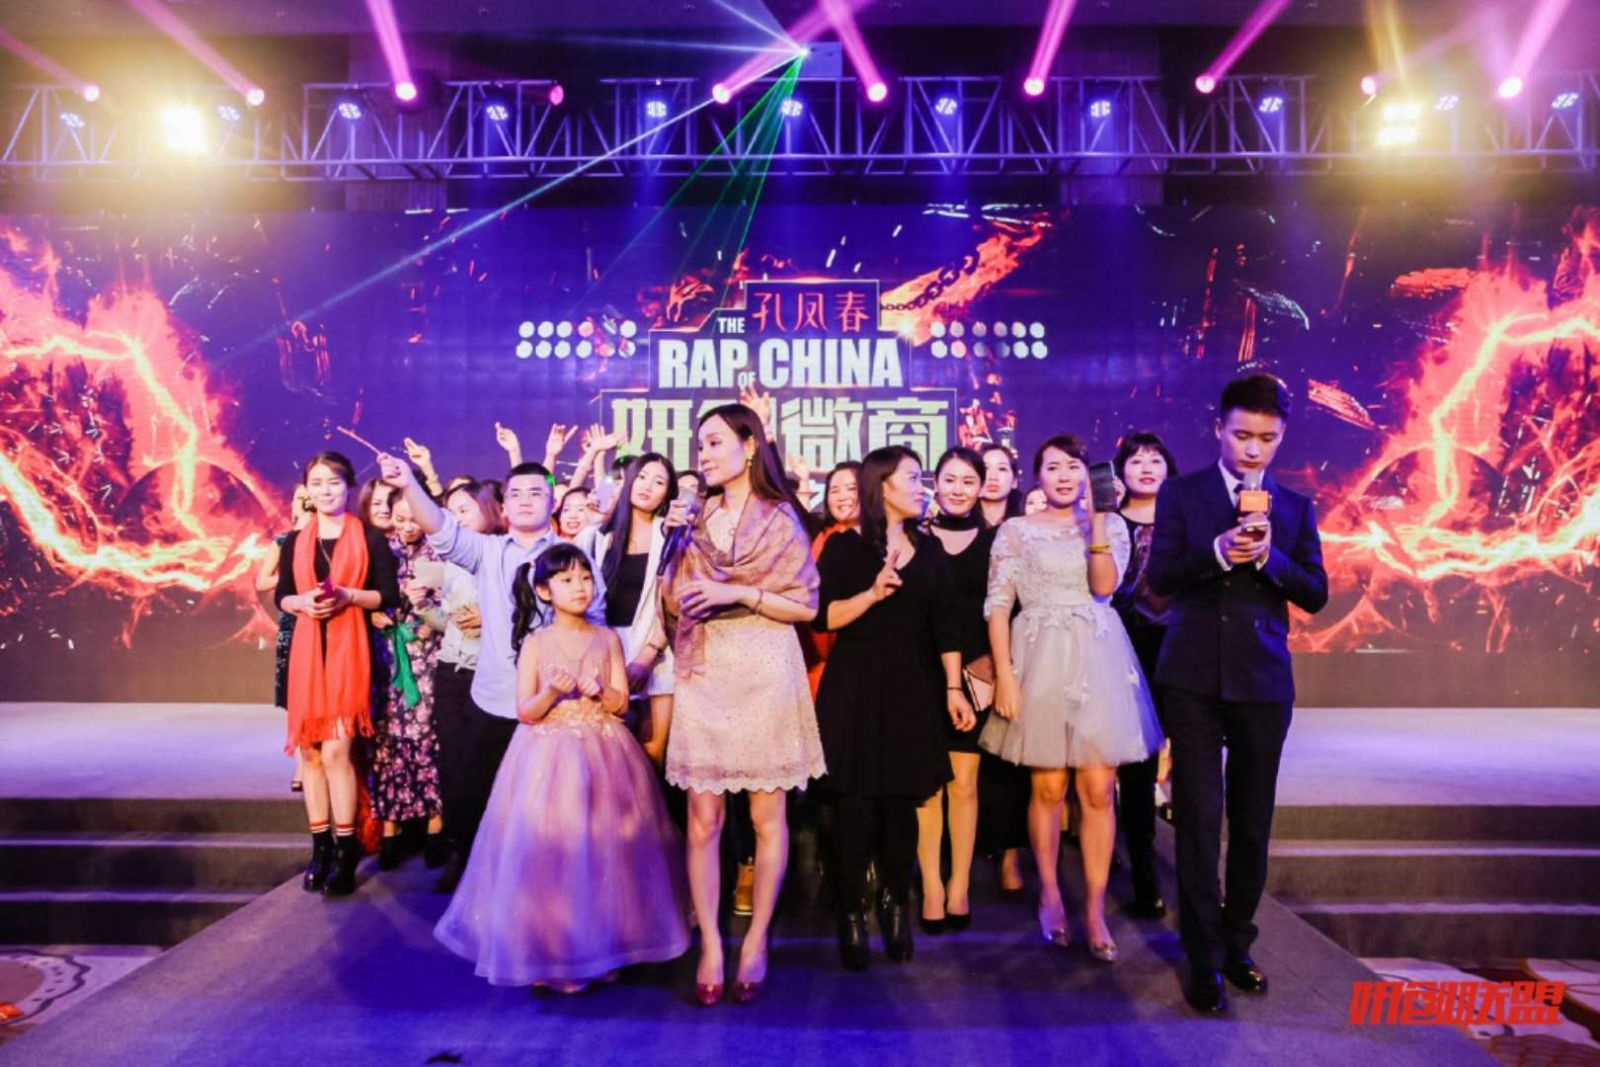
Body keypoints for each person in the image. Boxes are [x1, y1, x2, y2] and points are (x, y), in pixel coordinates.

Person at [1147, 374, 1328, 1015]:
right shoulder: (1182, 493)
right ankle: (1201, 956)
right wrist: (1219, 552)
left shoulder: (1296, 506)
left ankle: (1236, 944)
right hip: (1192, 678)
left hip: (1263, 682)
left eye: (1267, 438)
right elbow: (1160, 578)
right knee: (1199, 821)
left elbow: (1316, 592)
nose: (1253, 449)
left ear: (1282, 437)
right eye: (1242, 435)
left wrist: (1271, 559)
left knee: (1252, 822)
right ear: (1217, 428)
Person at [434, 544, 690, 993]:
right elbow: (525, 710)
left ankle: (604, 946)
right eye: (567, 580)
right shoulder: (536, 643)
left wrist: (601, 691)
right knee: (553, 853)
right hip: (546, 758)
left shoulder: (607, 639)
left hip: (604, 753)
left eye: (585, 578)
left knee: (605, 850)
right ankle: (552, 950)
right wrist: (552, 692)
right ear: (544, 591)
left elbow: (621, 704)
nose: (579, 587)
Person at [376, 453, 607, 891]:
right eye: (516, 494)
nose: (526, 501)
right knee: (473, 789)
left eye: (536, 493)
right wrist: (407, 482)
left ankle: (545, 884)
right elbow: (440, 527)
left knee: (547, 803)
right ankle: (471, 866)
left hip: (555, 703)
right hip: (494, 696)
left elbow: (595, 620)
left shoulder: (573, 559)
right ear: (503, 505)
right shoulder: (488, 551)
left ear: (552, 501)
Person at [661, 403, 824, 1005]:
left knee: (765, 816)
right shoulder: (693, 516)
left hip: (764, 664)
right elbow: (671, 600)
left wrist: (738, 592)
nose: (703, 455)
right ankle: (710, 943)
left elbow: (805, 605)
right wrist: (671, 544)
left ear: (749, 445)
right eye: (699, 444)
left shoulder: (780, 518)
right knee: (703, 818)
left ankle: (755, 940)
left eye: (714, 442)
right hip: (706, 667)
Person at [981, 435, 1163, 962]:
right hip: (1037, 659)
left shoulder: (1110, 527)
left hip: (1097, 658)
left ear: (1088, 474)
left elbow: (1105, 587)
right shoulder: (1016, 530)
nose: (1064, 475)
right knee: (1047, 787)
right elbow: (998, 605)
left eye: (1073, 466)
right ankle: (1051, 894)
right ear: (1037, 476)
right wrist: (1006, 676)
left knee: (1099, 790)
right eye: (1053, 467)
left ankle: (1096, 908)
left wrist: (1099, 523)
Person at [814, 446, 971, 971]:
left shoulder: (929, 550)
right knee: (855, 807)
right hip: (855, 689)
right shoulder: (844, 548)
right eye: (912, 477)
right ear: (881, 486)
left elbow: (947, 625)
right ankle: (852, 909)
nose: (922, 487)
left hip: (913, 688)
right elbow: (823, 618)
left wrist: (953, 688)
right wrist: (872, 595)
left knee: (904, 804)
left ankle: (895, 901)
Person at [275, 451, 401, 897]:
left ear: (348, 487)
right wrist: (300, 603)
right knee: (310, 754)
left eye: (333, 482)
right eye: (317, 482)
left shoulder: (368, 537)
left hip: (351, 654)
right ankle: (321, 847)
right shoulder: (295, 540)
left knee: (335, 754)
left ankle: (346, 850)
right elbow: (282, 596)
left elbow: (388, 595)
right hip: (306, 657)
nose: (325, 490)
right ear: (306, 490)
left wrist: (349, 595)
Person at [914, 447, 996, 934]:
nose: (958, 489)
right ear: (935, 483)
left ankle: (960, 883)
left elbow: (1005, 611)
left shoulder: (996, 542)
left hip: (977, 674)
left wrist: (990, 671)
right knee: (927, 785)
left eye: (968, 481)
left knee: (964, 784)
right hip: (920, 672)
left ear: (982, 487)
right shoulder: (916, 539)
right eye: (950, 479)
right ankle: (931, 885)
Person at [1110, 432, 1180, 920]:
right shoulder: (1109, 523)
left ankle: (1201, 881)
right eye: (1136, 461)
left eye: (1156, 459)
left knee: (1190, 772)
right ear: (1121, 473)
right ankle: (1145, 881)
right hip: (1124, 652)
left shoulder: (1186, 522)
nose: (1147, 467)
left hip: (1182, 651)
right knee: (1136, 772)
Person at [421, 479, 501, 890]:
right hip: (451, 670)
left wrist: (493, 618)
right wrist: (423, 607)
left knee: (487, 765)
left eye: (464, 510)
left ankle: (492, 856)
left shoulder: (504, 553)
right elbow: (449, 624)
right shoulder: (448, 563)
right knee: (452, 763)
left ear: (488, 508)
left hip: (492, 672)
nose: (455, 519)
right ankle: (460, 850)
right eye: (449, 513)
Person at [576, 452, 678, 765]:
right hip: (602, 653)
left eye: (658, 482)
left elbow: (676, 603)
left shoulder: (671, 536)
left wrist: (648, 654)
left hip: (656, 652)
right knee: (606, 753)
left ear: (667, 493)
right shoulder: (593, 538)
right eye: (642, 477)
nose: (647, 486)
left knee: (653, 753)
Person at [372, 496, 447, 871]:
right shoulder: (381, 551)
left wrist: (428, 617)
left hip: (429, 652)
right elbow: (368, 597)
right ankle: (391, 826)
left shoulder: (440, 551)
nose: (406, 526)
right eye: (399, 519)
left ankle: (436, 823)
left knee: (428, 735)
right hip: (389, 654)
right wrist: (373, 615)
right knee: (389, 738)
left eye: (413, 518)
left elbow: (455, 602)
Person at [257, 485, 313, 792]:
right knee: (296, 697)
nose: (305, 502)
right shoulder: (282, 540)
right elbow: (262, 581)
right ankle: (301, 763)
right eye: (300, 498)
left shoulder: (331, 538)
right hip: (293, 622)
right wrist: (293, 574)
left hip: (323, 619)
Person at [978, 444, 1024, 528]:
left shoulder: (1025, 525)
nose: (993, 477)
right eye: (985, 468)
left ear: (1014, 481)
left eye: (1002, 469)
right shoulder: (960, 525)